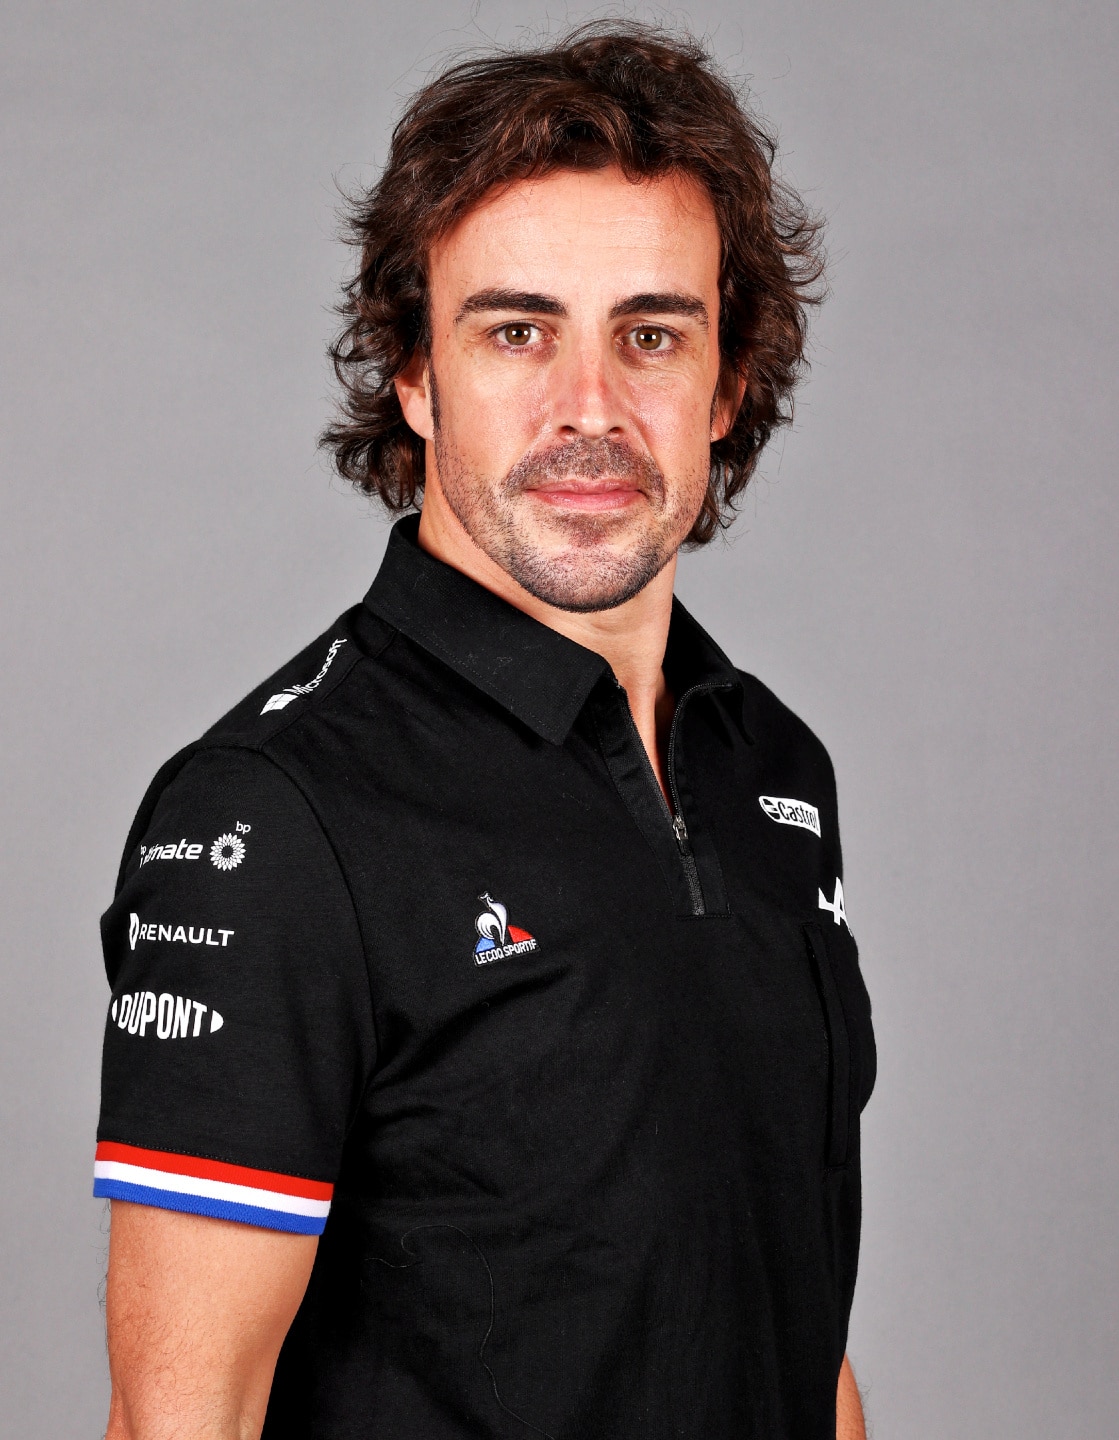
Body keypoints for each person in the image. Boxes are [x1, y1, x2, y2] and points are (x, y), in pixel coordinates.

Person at [94, 22, 875, 1440]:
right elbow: (179, 1419)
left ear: (728, 384)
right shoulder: (276, 812)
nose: (590, 409)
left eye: (652, 335)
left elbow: (796, 1325)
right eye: (518, 331)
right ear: (414, 374)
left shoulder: (774, 770)